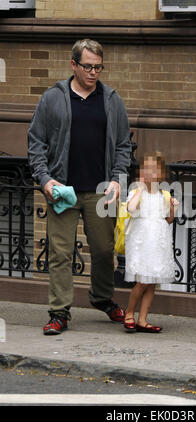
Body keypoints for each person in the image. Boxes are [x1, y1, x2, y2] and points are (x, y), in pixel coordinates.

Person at [28, 39, 132, 335]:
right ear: (73, 65)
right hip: (62, 190)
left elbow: (124, 145)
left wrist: (117, 178)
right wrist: (45, 179)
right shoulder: (52, 99)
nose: (93, 72)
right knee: (60, 252)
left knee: (103, 249)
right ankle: (59, 312)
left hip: (100, 190)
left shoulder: (111, 100)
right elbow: (36, 142)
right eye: (87, 66)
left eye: (98, 67)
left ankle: (102, 298)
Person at [123, 152, 179, 333]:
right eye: (145, 168)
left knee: (152, 282)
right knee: (142, 281)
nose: (148, 172)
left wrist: (173, 207)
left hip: (158, 242)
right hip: (142, 241)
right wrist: (139, 189)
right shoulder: (136, 192)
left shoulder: (163, 194)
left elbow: (168, 219)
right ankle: (129, 313)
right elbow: (131, 210)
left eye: (153, 169)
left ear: (161, 174)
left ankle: (143, 319)